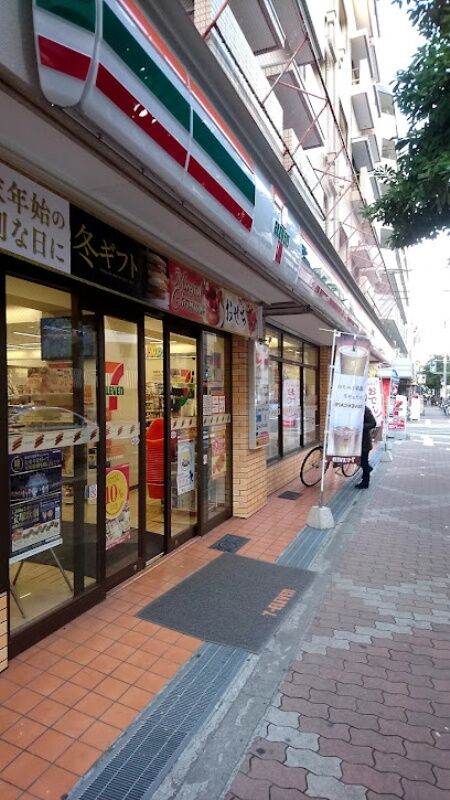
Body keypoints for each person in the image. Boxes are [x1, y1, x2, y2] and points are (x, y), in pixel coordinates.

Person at [356, 405, 377, 489]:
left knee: (363, 462)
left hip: (364, 442)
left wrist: (360, 426)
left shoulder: (365, 409)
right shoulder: (353, 408)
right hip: (355, 442)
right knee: (361, 462)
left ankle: (365, 482)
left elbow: (373, 423)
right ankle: (367, 470)